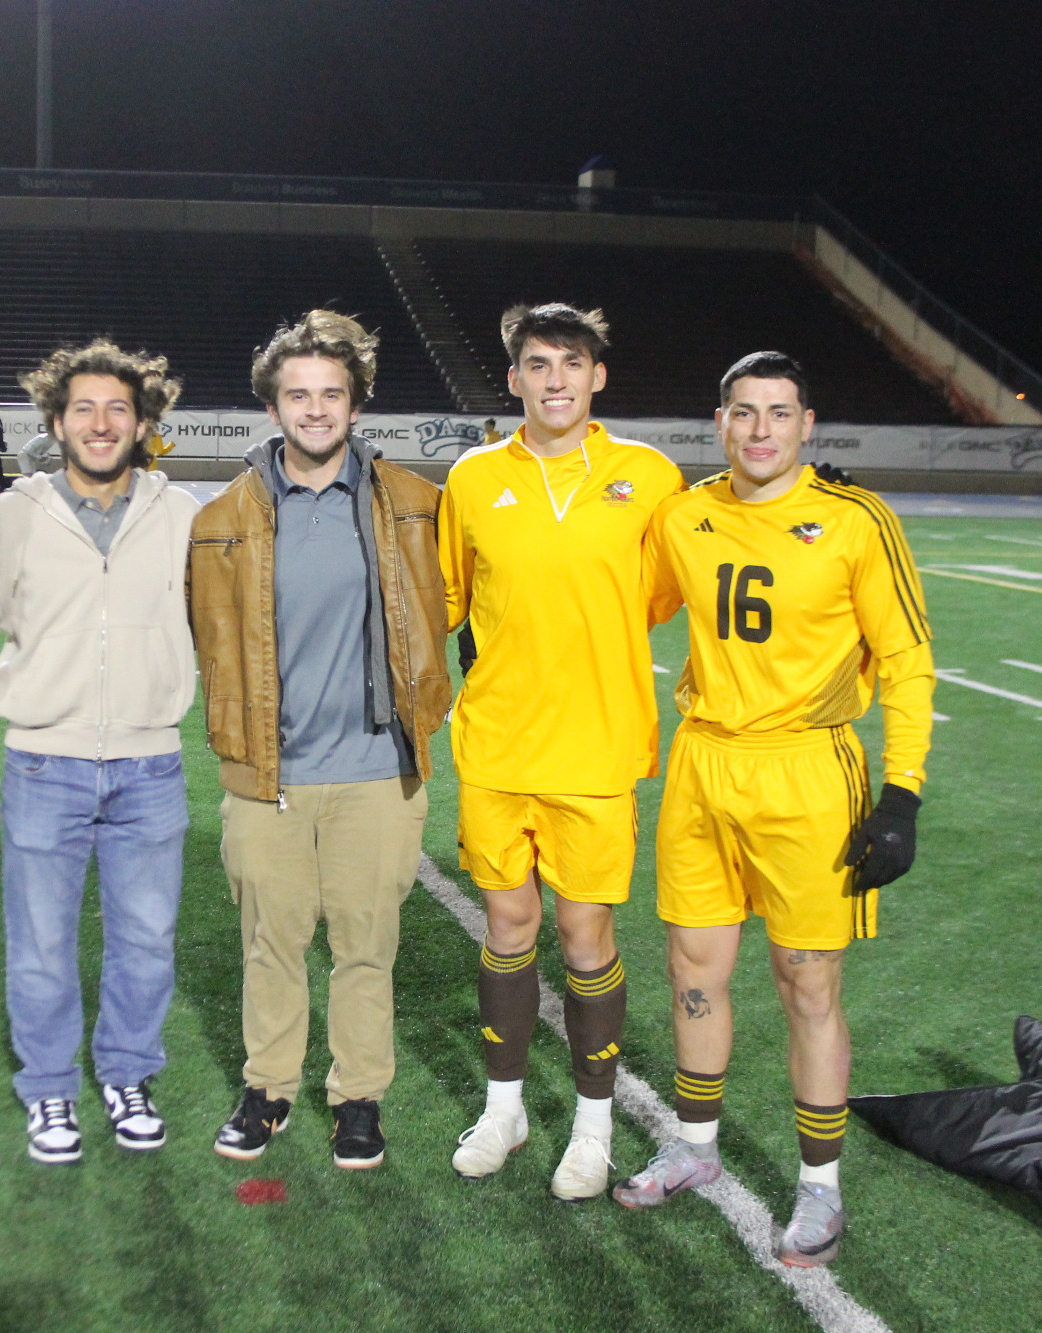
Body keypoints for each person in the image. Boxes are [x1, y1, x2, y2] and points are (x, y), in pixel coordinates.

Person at [613, 352, 933, 1269]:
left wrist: (902, 795)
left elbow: (907, 662)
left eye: (779, 412)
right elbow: (623, 603)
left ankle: (820, 1184)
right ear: (720, 422)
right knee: (693, 967)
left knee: (807, 982)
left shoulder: (856, 519)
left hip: (808, 771)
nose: (761, 430)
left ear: (807, 423)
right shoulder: (685, 515)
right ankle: (695, 1146)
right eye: (744, 412)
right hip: (704, 764)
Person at [191, 310, 450, 1169]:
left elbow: (457, 604)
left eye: (331, 393)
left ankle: (358, 1097)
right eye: (297, 394)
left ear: (355, 403)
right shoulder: (221, 516)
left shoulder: (414, 505)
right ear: (272, 407)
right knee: (271, 943)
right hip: (267, 770)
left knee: (366, 947)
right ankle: (268, 1087)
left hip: (377, 769)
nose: (314, 408)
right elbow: (198, 630)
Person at [440, 304, 684, 1200]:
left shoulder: (649, 476)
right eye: (537, 364)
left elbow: (664, 591)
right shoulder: (472, 477)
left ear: (597, 376)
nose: (554, 379)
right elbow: (448, 598)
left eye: (570, 363)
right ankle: (503, 1109)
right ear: (514, 380)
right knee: (508, 925)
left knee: (586, 934)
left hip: (595, 748)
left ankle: (593, 1126)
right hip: (496, 744)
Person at [0, 341, 197, 1164]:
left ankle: (128, 1074)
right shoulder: (14, 512)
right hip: (44, 761)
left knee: (147, 938)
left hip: (150, 764)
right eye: (83, 409)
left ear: (142, 422)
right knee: (39, 945)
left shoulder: (181, 514)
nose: (100, 424)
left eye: (117, 409)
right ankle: (50, 1088)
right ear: (56, 422)